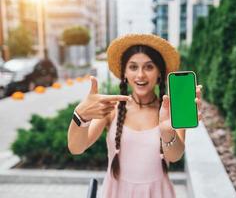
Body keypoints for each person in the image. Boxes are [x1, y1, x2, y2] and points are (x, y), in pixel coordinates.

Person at [67, 34, 202, 198]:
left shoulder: (169, 111)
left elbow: (174, 156)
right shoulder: (112, 109)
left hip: (158, 193)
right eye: (133, 67)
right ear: (124, 73)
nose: (140, 75)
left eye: (149, 67)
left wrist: (167, 131)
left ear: (159, 73)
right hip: (116, 192)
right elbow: (76, 147)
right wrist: (81, 116)